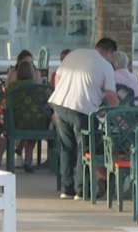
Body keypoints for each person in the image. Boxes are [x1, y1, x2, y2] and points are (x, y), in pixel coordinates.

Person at [46, 36, 120, 200]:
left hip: (59, 105)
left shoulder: (75, 54)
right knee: (84, 148)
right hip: (82, 109)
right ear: (110, 52)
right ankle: (81, 190)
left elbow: (57, 77)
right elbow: (111, 96)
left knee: (66, 147)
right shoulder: (105, 65)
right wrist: (120, 115)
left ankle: (66, 189)